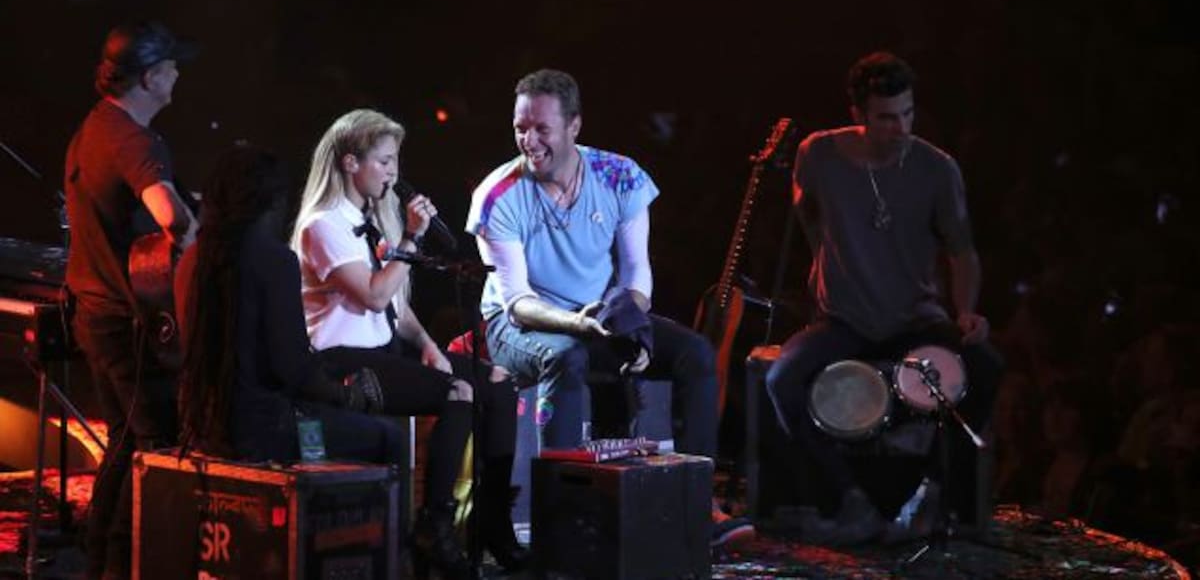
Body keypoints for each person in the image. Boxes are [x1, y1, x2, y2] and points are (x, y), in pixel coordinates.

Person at [466, 68, 754, 547]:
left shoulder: (619, 176)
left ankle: (696, 503)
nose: (529, 141)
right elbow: (517, 303)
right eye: (520, 128)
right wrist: (580, 324)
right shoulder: (498, 196)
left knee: (696, 354)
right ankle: (561, 517)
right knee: (565, 356)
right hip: (517, 327)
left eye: (541, 128)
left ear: (574, 126)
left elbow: (636, 270)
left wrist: (631, 325)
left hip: (597, 314)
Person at [764, 51, 1005, 545]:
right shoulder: (819, 154)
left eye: (908, 114)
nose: (900, 128)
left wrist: (965, 312)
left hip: (916, 318)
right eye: (886, 118)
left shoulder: (937, 168)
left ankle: (933, 495)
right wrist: (825, 269)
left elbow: (962, 250)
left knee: (986, 367)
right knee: (780, 379)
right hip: (844, 318)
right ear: (858, 114)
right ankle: (849, 498)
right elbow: (807, 214)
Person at [292, 109, 525, 578]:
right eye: (383, 161)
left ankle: (494, 520)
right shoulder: (323, 225)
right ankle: (434, 525)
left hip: (386, 353)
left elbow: (396, 307)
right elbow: (375, 295)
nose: (393, 173)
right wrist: (412, 238)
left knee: (498, 383)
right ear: (350, 163)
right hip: (343, 363)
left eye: (396, 161)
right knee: (457, 393)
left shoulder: (371, 223)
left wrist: (429, 345)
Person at [64, 20, 199, 580]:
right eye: (171, 67)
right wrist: (196, 230)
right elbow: (172, 219)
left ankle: (101, 561)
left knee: (124, 441)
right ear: (148, 78)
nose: (178, 74)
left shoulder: (95, 127)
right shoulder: (136, 140)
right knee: (151, 444)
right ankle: (121, 564)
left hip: (94, 311)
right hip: (127, 321)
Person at [174, 143, 401, 466]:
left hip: (202, 430)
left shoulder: (191, 259)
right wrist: (347, 395)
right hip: (266, 432)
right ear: (272, 201)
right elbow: (292, 369)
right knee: (388, 437)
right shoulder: (275, 260)